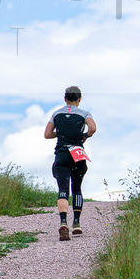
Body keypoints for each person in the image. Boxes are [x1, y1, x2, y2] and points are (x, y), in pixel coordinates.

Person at [43, 85, 96, 241]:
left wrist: (61, 133)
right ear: (79, 99)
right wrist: (84, 135)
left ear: (65, 98)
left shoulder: (56, 114)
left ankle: (63, 222)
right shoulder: (84, 113)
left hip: (62, 154)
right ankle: (77, 224)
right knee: (77, 188)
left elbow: (47, 134)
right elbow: (92, 128)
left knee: (63, 190)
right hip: (77, 154)